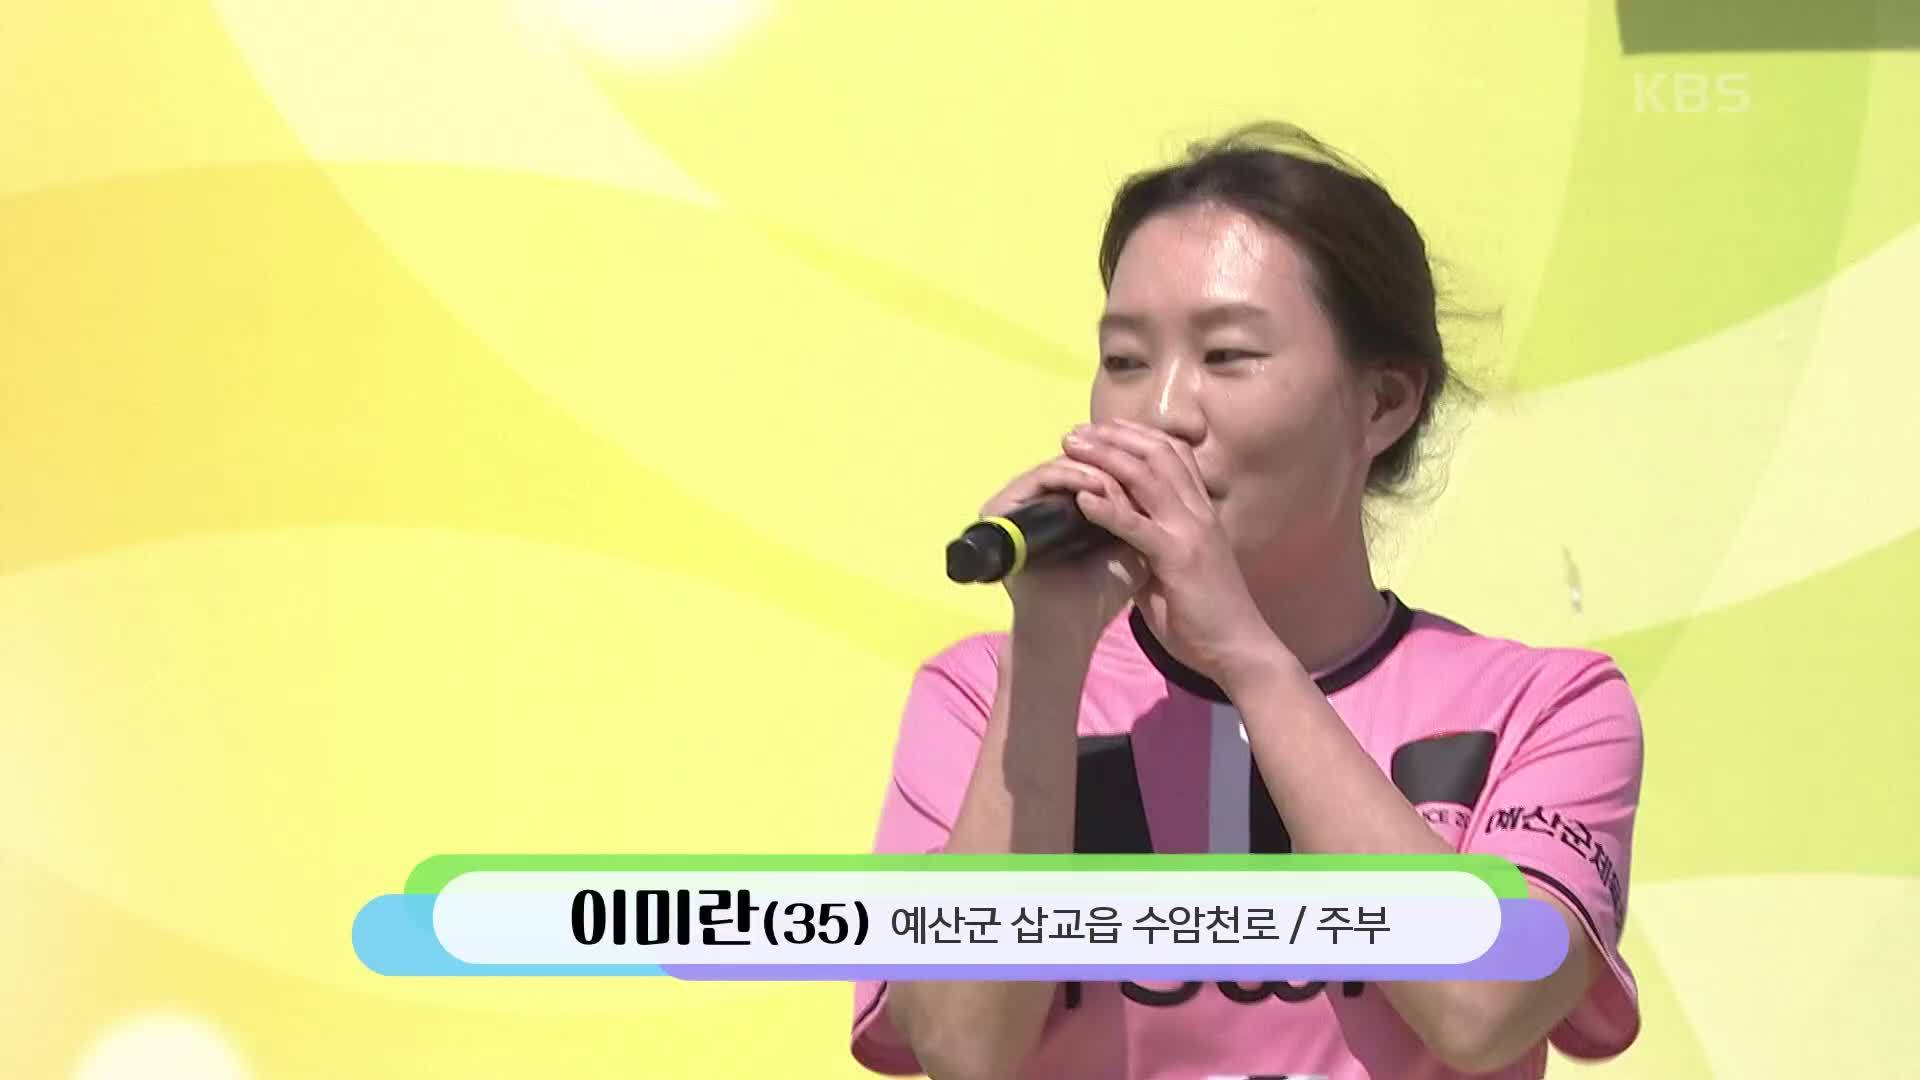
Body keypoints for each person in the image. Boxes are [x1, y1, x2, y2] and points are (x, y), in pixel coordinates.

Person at [849, 122, 1644, 1080]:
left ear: (1384, 402)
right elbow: (961, 1048)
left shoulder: (1545, 708)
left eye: (1226, 356)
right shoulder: (983, 696)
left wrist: (1246, 656)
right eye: (1126, 360)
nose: (1162, 413)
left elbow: (1484, 1009)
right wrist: (1047, 660)